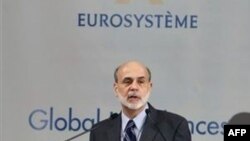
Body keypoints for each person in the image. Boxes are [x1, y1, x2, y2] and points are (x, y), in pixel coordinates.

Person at [90, 60, 191, 141]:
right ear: (116, 89)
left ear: (149, 87)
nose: (134, 87)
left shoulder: (174, 126)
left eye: (141, 82)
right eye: (127, 81)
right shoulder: (99, 131)